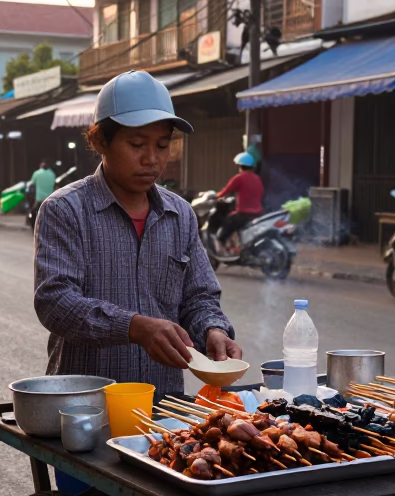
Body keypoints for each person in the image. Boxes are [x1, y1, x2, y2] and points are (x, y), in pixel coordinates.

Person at [34, 70, 241, 399]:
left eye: (163, 145)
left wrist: (213, 329)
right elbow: (55, 302)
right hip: (85, 408)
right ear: (100, 140)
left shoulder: (180, 214)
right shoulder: (65, 210)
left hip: (165, 408)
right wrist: (133, 327)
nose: (152, 159)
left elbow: (199, 297)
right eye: (136, 144)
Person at [215, 152, 265, 253]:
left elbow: (225, 191)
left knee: (226, 223)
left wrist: (215, 196)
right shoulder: (257, 178)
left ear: (240, 166)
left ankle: (221, 247)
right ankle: (237, 246)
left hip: (244, 214)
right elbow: (261, 193)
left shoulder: (239, 178)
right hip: (258, 213)